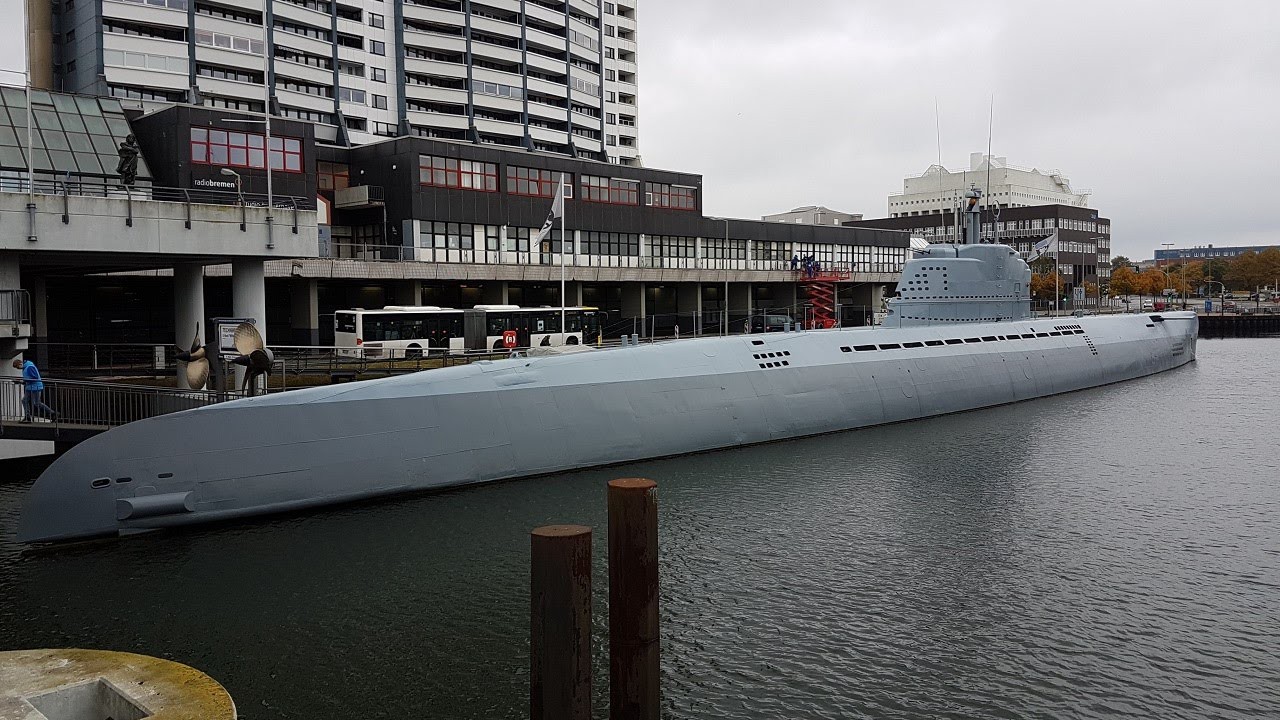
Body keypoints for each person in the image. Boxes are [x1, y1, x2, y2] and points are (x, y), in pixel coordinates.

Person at [13, 357, 57, 423]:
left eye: (17, 367)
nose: (18, 369)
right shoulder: (27, 367)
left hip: (35, 387)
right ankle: (28, 417)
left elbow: (34, 377)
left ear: (20, 364)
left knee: (35, 402)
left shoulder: (29, 367)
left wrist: (23, 381)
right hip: (31, 387)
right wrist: (21, 382)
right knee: (28, 401)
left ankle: (52, 413)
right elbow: (31, 378)